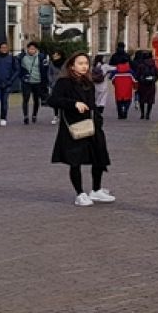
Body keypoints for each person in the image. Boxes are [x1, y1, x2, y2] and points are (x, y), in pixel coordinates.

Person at [46, 52, 114, 206]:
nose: (84, 66)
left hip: (92, 125)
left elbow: (92, 103)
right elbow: (53, 100)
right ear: (72, 65)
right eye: (80, 63)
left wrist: (98, 119)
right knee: (75, 160)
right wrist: (73, 104)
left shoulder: (88, 82)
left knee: (99, 156)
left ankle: (96, 190)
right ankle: (80, 193)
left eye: (86, 63)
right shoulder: (64, 82)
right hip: (74, 127)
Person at [0, 40, 23, 126]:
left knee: (4, 101)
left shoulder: (12, 58)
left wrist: (10, 80)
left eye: (6, 47)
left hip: (7, 83)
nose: (4, 49)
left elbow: (17, 70)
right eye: (2, 48)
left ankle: (3, 118)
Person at [19, 41, 50, 125]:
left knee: (36, 100)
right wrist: (22, 76)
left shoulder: (41, 57)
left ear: (36, 50)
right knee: (25, 99)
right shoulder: (22, 57)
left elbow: (45, 69)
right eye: (30, 49)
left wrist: (45, 82)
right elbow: (18, 68)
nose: (31, 50)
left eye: (33, 49)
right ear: (27, 49)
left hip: (38, 81)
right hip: (27, 82)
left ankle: (34, 115)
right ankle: (25, 116)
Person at [130, 49, 158, 120]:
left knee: (142, 100)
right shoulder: (154, 66)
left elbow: (137, 75)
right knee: (150, 100)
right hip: (151, 85)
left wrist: (141, 80)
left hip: (142, 85)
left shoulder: (141, 66)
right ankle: (148, 114)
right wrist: (154, 80)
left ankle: (142, 114)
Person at [110, 44, 135, 120]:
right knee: (128, 98)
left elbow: (111, 75)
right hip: (127, 82)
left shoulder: (114, 56)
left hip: (118, 81)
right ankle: (125, 111)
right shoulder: (127, 56)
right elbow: (132, 69)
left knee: (118, 99)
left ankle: (120, 114)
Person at [47, 49, 66, 125]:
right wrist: (51, 82)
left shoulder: (65, 63)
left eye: (56, 55)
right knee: (55, 100)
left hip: (63, 84)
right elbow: (49, 73)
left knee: (63, 100)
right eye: (54, 55)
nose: (54, 56)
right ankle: (56, 115)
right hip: (54, 84)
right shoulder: (51, 63)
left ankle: (63, 115)